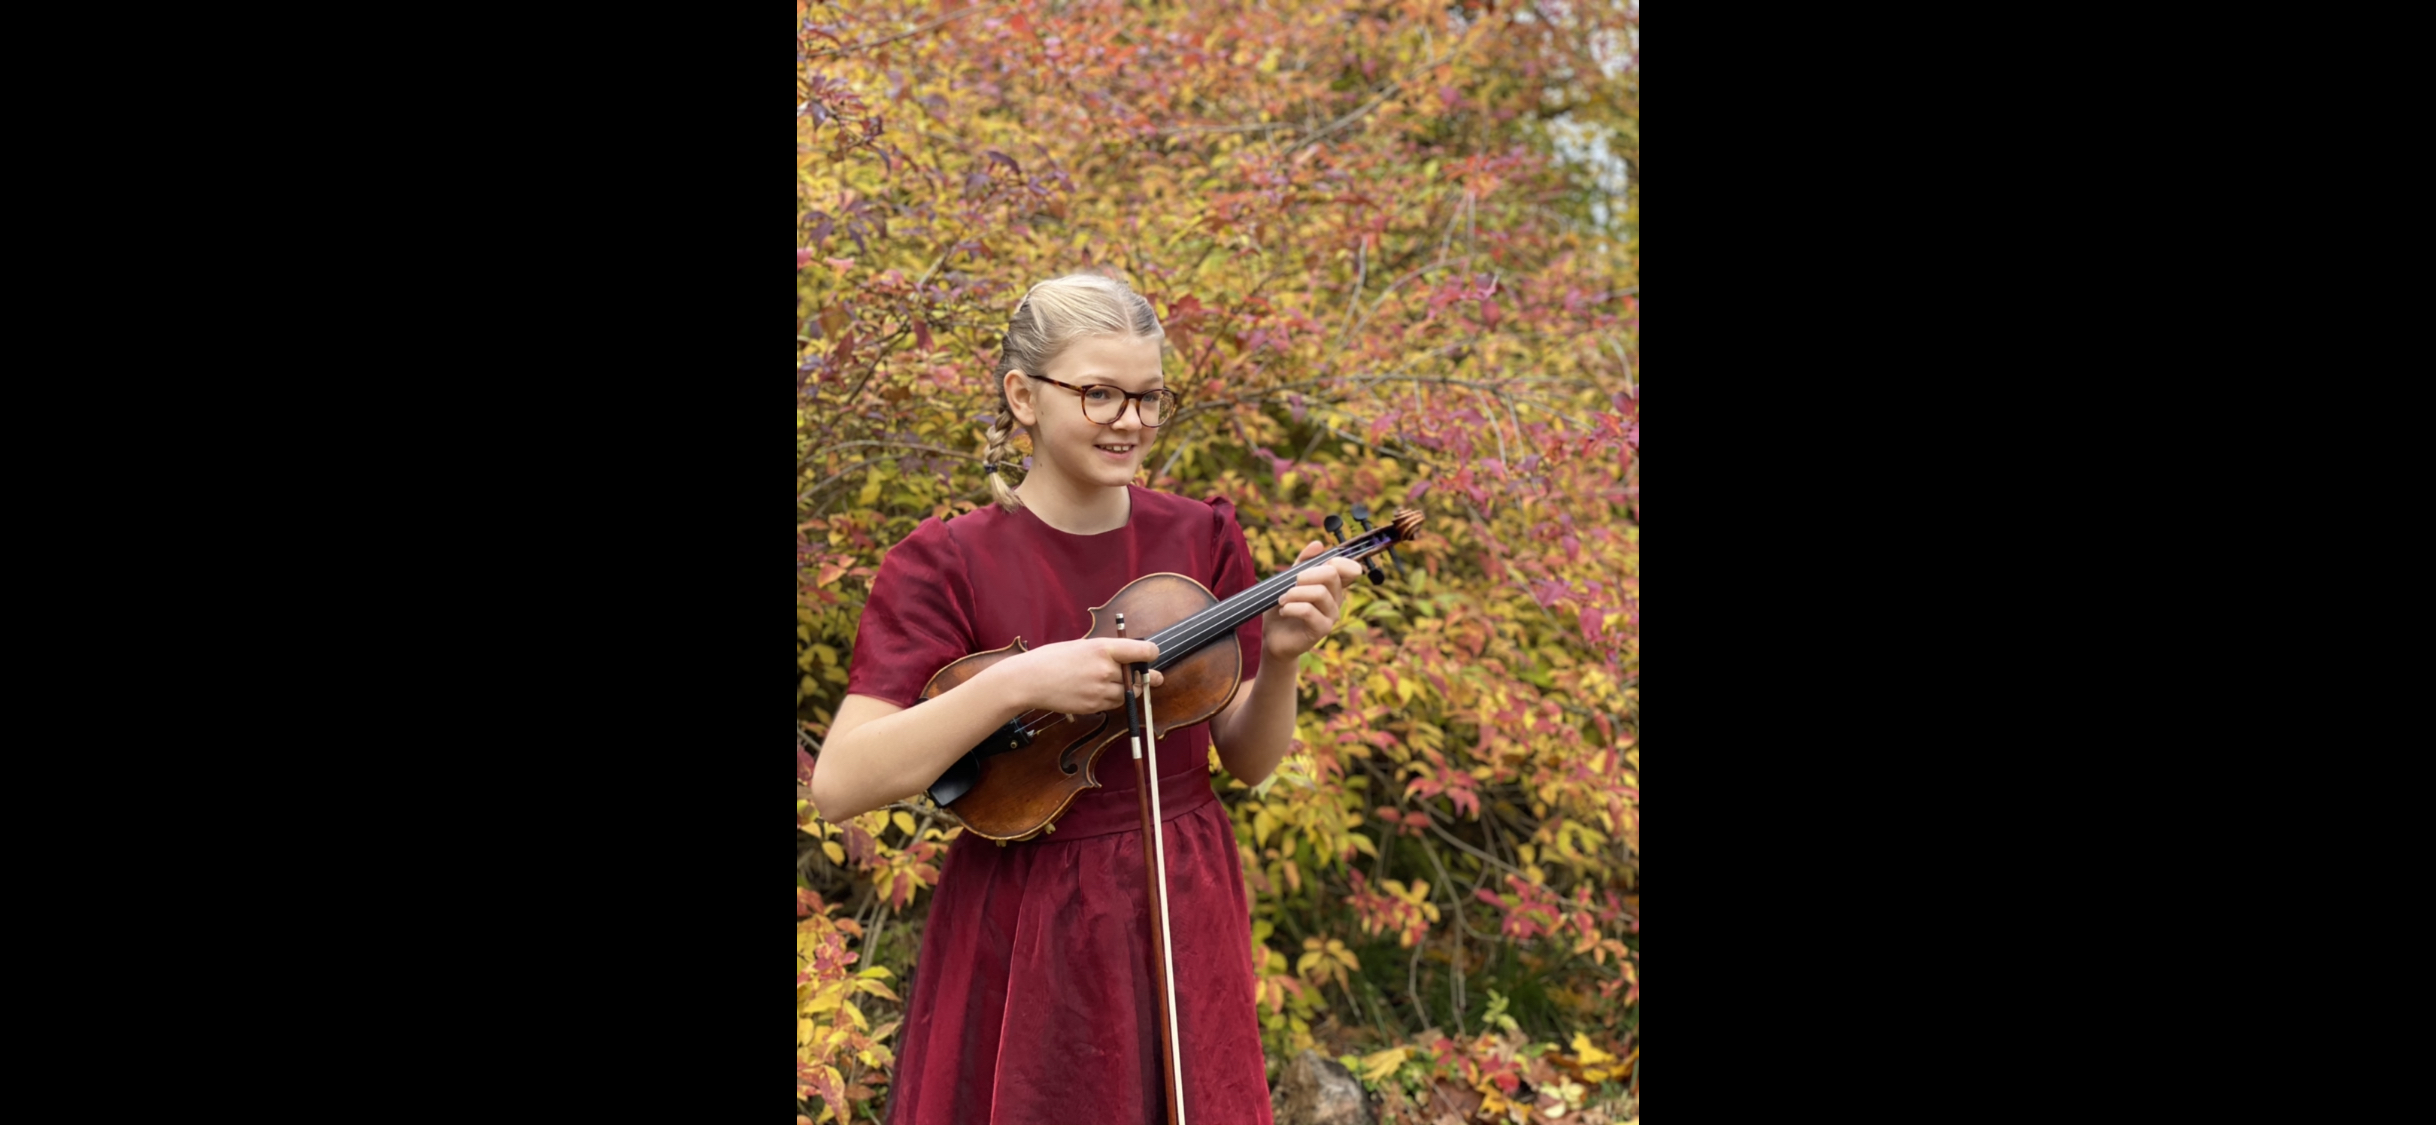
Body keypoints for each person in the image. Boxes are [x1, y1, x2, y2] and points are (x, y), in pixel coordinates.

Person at [808, 272, 1366, 1125]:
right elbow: (841, 781)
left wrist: (1284, 659)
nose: (1130, 421)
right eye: (1099, 393)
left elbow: (1250, 761)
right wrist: (1021, 680)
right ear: (1022, 396)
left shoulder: (1202, 538)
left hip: (1179, 889)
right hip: (1022, 910)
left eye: (1149, 397)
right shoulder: (944, 563)